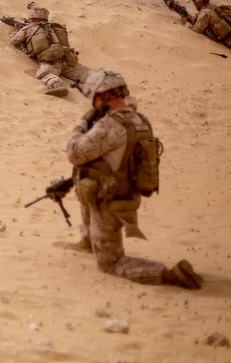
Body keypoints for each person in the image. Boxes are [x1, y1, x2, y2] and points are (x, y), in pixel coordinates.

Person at [66, 68, 204, 289]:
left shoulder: (109, 125)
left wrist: (82, 123)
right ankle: (87, 242)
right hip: (125, 193)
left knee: (110, 264)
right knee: (84, 181)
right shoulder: (140, 120)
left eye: (94, 99)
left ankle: (169, 275)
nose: (92, 105)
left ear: (103, 96)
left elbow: (74, 153)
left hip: (109, 204)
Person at [7, 3, 95, 97]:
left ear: (32, 18)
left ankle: (56, 85)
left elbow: (14, 40)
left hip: (50, 60)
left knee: (45, 74)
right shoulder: (56, 27)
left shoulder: (29, 28)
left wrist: (14, 32)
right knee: (85, 74)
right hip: (67, 58)